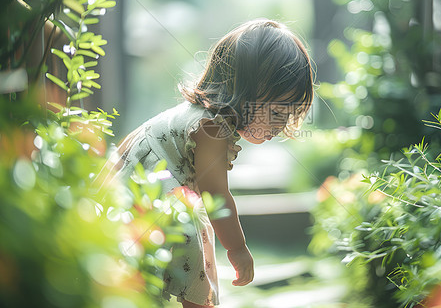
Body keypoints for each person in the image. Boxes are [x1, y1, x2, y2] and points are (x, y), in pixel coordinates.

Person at [110, 18, 314, 307]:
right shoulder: (211, 128)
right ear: (244, 92)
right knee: (193, 239)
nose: (281, 125)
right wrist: (238, 249)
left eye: (289, 114)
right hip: (149, 196)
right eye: (278, 113)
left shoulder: (197, 116)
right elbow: (215, 195)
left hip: (143, 193)